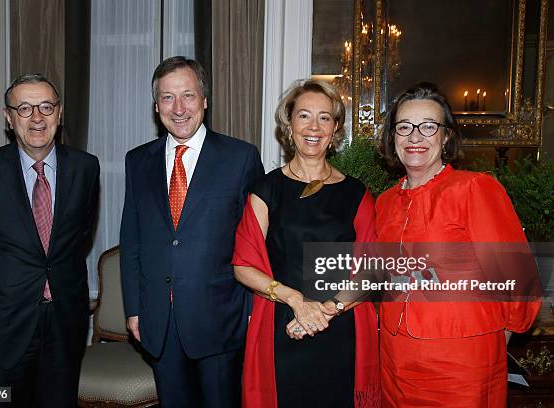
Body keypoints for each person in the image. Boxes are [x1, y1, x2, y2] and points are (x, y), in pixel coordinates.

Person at [375, 82, 541, 407]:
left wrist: (494, 342)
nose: (415, 137)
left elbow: (518, 279)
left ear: (446, 136)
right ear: (392, 137)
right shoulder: (384, 202)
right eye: (404, 127)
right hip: (396, 360)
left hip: (463, 365)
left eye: (428, 126)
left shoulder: (475, 189)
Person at [120, 56, 264, 408]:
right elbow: (132, 239)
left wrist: (250, 312)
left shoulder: (240, 158)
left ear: (205, 100)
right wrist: (134, 308)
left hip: (221, 319)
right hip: (159, 322)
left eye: (188, 95)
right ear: (157, 106)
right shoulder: (137, 161)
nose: (179, 107)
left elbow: (256, 242)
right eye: (168, 97)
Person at [0, 73, 100, 407]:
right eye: (24, 108)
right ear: (8, 117)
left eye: (46, 106)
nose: (37, 117)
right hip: (1, 327)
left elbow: (80, 236)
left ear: (59, 114)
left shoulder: (86, 168)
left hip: (64, 324)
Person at [232, 79, 380, 408]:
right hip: (282, 327)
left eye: (324, 117)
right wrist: (296, 302)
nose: (314, 127)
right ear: (289, 123)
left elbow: (371, 269)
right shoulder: (265, 190)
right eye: (304, 116)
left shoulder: (358, 194)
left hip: (343, 330)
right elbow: (243, 264)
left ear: (336, 128)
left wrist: (323, 313)